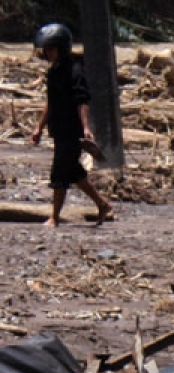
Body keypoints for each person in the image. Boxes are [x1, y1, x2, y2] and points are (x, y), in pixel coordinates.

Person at [30, 23, 113, 228]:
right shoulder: (53, 72)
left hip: (72, 130)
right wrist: (39, 127)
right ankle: (102, 204)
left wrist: (86, 127)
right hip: (58, 129)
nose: (47, 53)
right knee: (73, 172)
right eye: (46, 49)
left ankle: (54, 217)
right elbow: (51, 103)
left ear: (61, 48)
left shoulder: (75, 70)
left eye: (51, 48)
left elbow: (82, 100)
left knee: (59, 172)